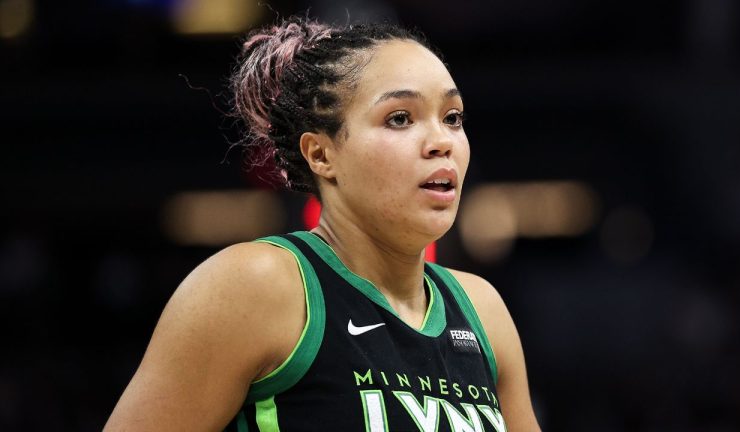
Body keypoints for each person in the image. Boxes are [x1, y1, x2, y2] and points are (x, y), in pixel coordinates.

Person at [105, 16, 540, 432]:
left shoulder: (482, 310)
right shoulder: (255, 286)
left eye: (452, 118)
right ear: (321, 154)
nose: (442, 142)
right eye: (400, 118)